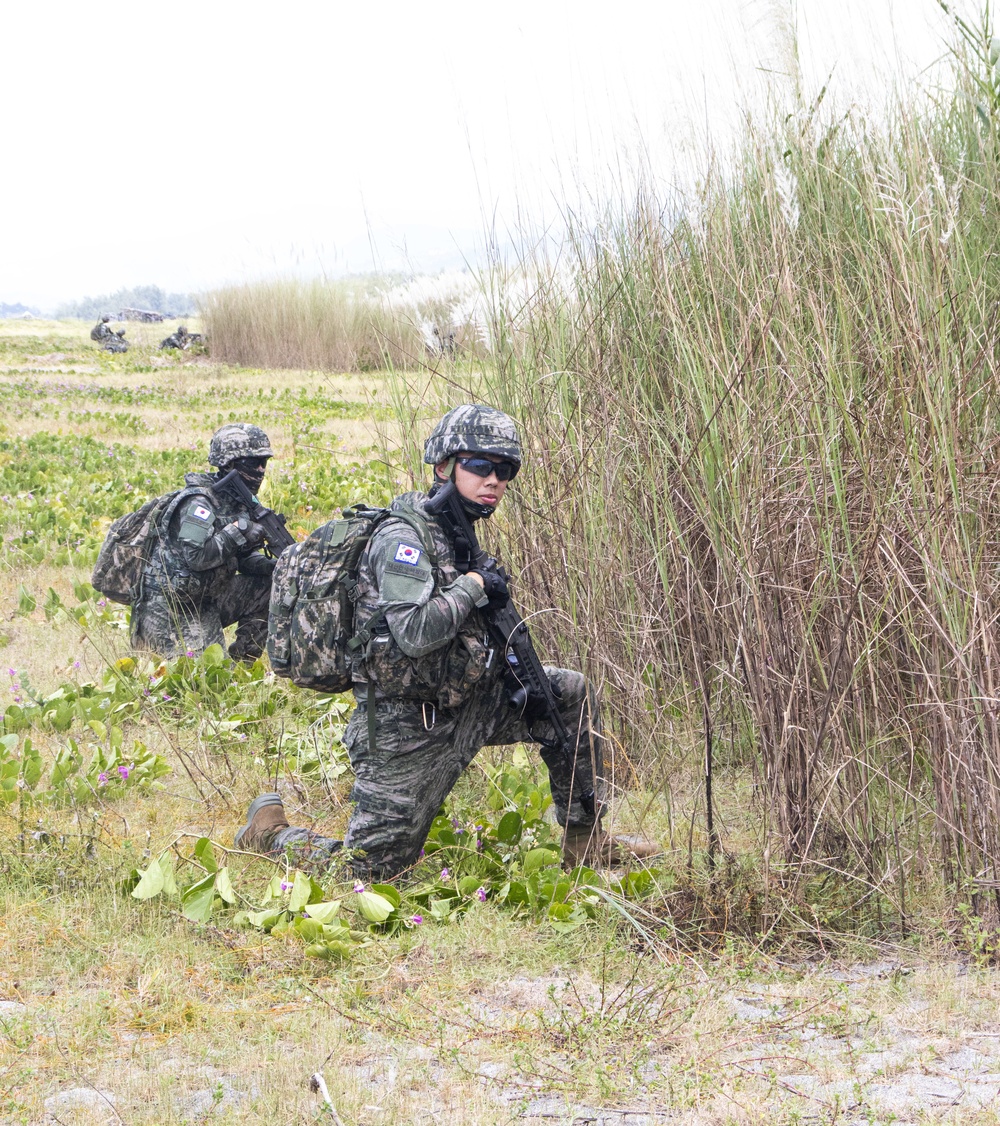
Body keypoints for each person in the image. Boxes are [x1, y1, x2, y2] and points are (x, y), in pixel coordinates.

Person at [237, 405, 658, 875]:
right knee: (367, 874)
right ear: (443, 466)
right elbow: (414, 633)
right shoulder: (404, 539)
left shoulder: (455, 534)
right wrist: (475, 584)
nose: (494, 480)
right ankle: (271, 834)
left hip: (466, 700)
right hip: (406, 725)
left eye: (505, 470)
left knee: (568, 694)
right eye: (479, 465)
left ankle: (585, 841)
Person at [131, 423, 281, 661]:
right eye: (253, 463)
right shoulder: (198, 503)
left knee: (270, 586)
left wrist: (275, 566)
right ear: (229, 464)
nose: (261, 469)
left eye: (265, 462)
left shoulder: (239, 503)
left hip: (207, 599)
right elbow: (196, 557)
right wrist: (239, 530)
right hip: (171, 610)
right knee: (204, 679)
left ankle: (243, 664)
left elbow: (243, 558)